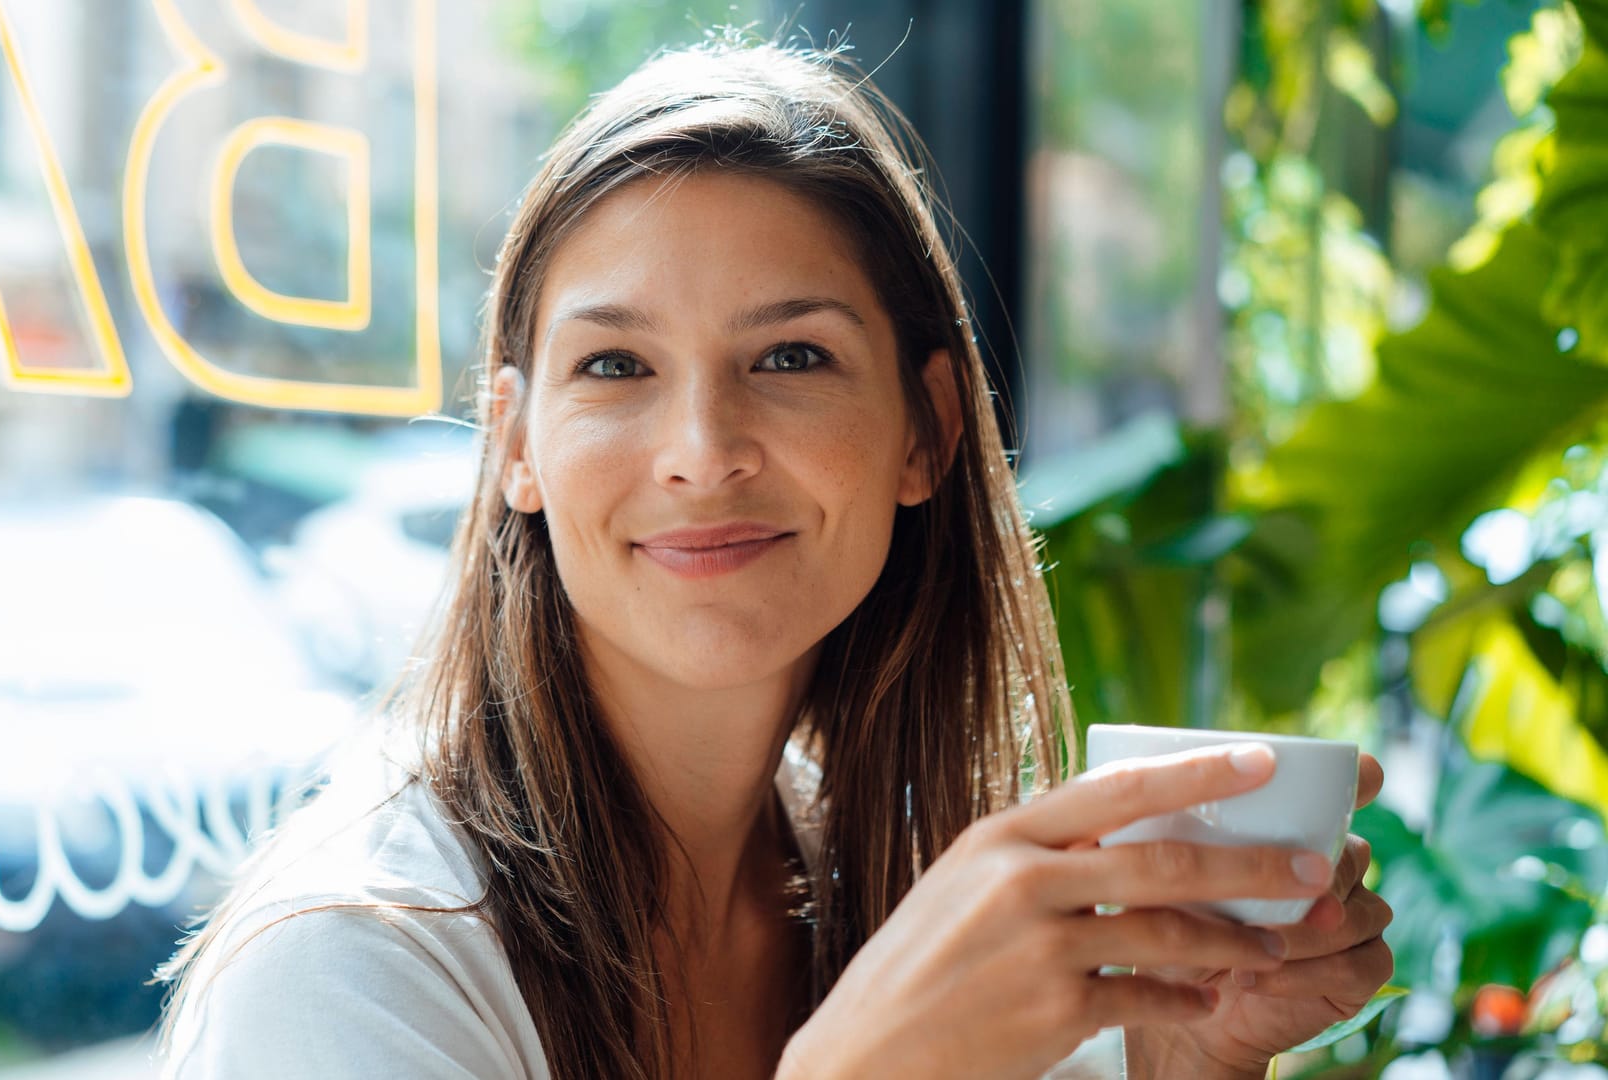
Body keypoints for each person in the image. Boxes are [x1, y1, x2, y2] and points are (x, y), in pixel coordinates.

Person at [157, 39, 1394, 1080]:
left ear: (929, 432)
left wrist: (1178, 1066)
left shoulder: (879, 898)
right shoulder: (349, 969)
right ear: (516, 447)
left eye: (791, 358)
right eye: (616, 367)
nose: (703, 451)